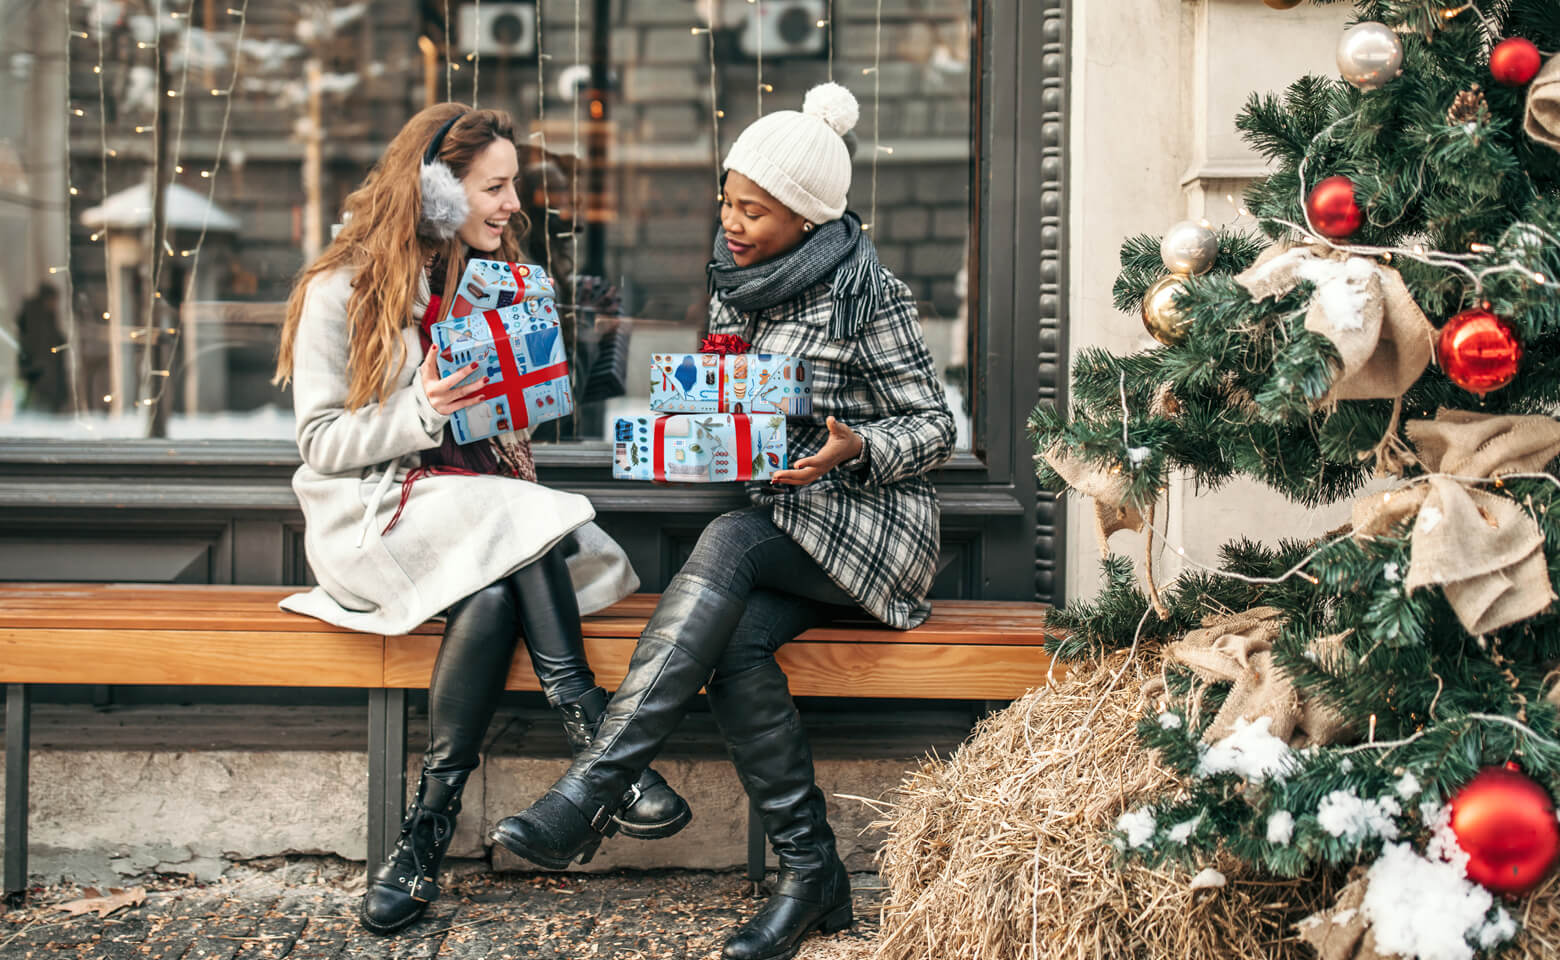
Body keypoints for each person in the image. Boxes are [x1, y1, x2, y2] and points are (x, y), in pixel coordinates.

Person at [491, 83, 956, 960]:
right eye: (727, 200)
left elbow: (935, 425)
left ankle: (592, 790)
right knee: (734, 642)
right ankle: (811, 875)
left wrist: (852, 448)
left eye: (753, 209)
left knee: (728, 541)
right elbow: (729, 410)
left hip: (872, 526)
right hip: (783, 529)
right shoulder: (737, 282)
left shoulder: (870, 296)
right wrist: (691, 431)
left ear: (809, 220)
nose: (731, 221)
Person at [272, 103, 692, 936]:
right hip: (380, 522)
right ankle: (603, 753)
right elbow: (321, 443)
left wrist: (524, 384)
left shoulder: (483, 287)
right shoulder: (338, 291)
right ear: (434, 190)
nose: (512, 205)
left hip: (478, 523)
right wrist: (422, 410)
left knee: (498, 588)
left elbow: (506, 422)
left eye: (513, 188)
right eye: (494, 187)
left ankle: (424, 835)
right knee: (519, 522)